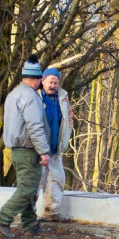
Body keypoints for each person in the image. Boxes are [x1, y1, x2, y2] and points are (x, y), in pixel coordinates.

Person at [0, 56, 50, 238]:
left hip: (17, 150)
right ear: (37, 78)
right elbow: (34, 126)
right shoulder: (30, 97)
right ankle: (2, 218)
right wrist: (44, 151)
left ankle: (30, 225)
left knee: (29, 188)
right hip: (28, 151)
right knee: (27, 190)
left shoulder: (14, 94)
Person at [37, 67, 73, 220]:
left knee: (57, 179)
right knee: (35, 181)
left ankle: (52, 212)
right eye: (50, 82)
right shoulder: (35, 97)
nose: (52, 85)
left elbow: (69, 119)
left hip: (55, 147)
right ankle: (27, 215)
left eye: (55, 82)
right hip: (37, 148)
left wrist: (66, 138)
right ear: (43, 81)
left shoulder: (63, 98)